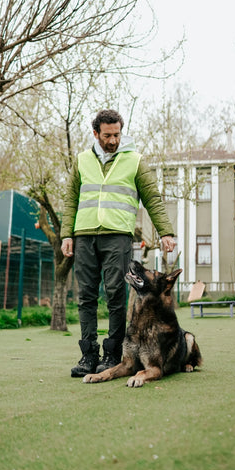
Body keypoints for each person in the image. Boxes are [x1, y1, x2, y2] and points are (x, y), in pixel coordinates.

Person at [61, 109, 175, 377]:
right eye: (108, 135)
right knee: (86, 296)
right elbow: (70, 200)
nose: (113, 140)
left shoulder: (134, 161)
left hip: (118, 235)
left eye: (117, 134)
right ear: (95, 133)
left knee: (115, 294)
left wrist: (165, 231)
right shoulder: (81, 161)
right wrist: (67, 234)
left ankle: (112, 354)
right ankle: (88, 355)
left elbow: (152, 198)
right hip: (84, 235)